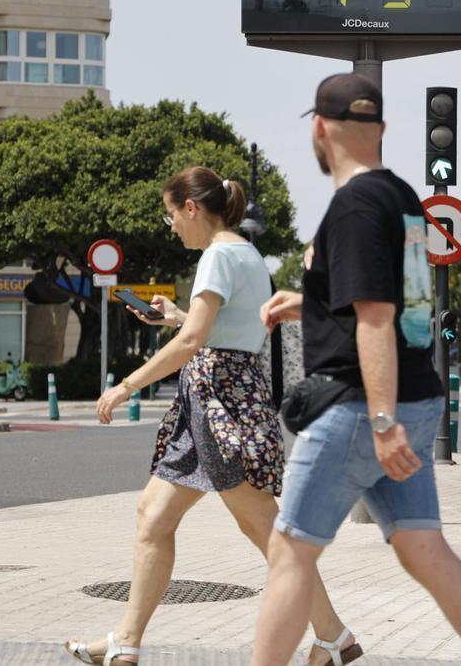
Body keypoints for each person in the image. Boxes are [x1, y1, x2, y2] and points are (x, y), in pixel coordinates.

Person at [249, 73, 461, 666]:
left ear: (319, 129)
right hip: (415, 398)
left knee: (290, 552)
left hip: (361, 410)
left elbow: (376, 316)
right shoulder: (400, 196)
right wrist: (311, 302)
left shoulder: (354, 205)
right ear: (383, 130)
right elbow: (399, 303)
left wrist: (382, 419)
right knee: (425, 549)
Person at [64, 166, 360, 666]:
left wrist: (127, 384)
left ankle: (333, 636)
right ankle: (126, 640)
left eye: (171, 216)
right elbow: (227, 328)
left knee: (265, 530)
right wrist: (176, 316)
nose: (172, 226)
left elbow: (196, 342)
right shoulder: (244, 253)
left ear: (192, 208)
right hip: (215, 398)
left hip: (219, 402)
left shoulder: (218, 255)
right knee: (153, 516)